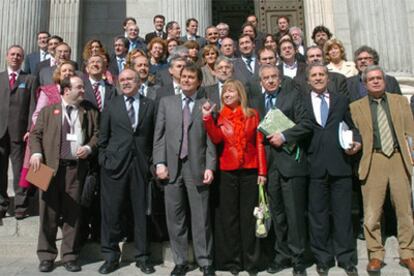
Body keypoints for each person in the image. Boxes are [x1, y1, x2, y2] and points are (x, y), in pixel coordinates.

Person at [29, 75, 99, 272]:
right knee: (47, 214)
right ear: (66, 90)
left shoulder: (89, 111)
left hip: (75, 169)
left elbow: (97, 134)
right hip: (47, 169)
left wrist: (88, 147)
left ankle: (70, 256)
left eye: (83, 87)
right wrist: (36, 152)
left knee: (73, 214)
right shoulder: (48, 111)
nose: (83, 90)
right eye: (79, 87)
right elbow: (35, 134)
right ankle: (46, 256)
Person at [248, 64, 311, 276]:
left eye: (274, 76)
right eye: (266, 77)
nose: (271, 80)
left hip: (291, 163)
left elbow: (306, 123)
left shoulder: (293, 96)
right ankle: (281, 254)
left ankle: (298, 258)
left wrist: (284, 136)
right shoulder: (256, 101)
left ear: (280, 79)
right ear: (261, 81)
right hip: (268, 166)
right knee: (277, 215)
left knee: (294, 214)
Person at [153, 64, 216, 276]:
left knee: (201, 216)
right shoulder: (166, 102)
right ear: (178, 79)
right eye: (184, 77)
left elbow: (210, 140)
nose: (187, 80)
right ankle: (181, 261)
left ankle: (205, 261)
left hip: (196, 166)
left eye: (191, 77)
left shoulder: (205, 104)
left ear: (199, 81)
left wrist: (210, 166)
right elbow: (159, 136)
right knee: (175, 216)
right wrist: (159, 163)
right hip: (172, 167)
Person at [350, 65, 414, 274]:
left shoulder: (399, 101)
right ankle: (375, 255)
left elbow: (410, 132)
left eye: (379, 78)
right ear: (364, 83)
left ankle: (407, 252)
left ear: (384, 81)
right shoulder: (356, 107)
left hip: (398, 157)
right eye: (371, 79)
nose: (376, 81)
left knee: (404, 210)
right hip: (373, 159)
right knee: (372, 213)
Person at [202, 79, 267, 275]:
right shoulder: (219, 116)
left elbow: (259, 144)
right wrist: (207, 119)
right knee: (229, 219)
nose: (227, 95)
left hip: (249, 170)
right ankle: (233, 262)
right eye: (225, 93)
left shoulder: (252, 115)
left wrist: (262, 172)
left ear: (240, 94)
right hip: (227, 172)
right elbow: (216, 139)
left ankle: (252, 262)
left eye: (231, 92)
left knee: (250, 217)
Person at [303, 63, 360, 275]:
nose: (318, 78)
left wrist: (357, 142)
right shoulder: (301, 102)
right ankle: (323, 259)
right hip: (314, 167)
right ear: (308, 80)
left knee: (343, 215)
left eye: (321, 75)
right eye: (314, 75)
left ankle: (346, 258)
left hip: (340, 165)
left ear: (328, 78)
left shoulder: (341, 100)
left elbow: (353, 127)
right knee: (318, 216)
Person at [98, 69, 156, 275]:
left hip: (140, 166)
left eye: (129, 79)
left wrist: (151, 163)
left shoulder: (150, 105)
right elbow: (102, 137)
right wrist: (104, 160)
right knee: (111, 212)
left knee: (141, 213)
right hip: (114, 167)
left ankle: (142, 257)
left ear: (139, 81)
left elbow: (153, 138)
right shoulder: (111, 105)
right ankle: (110, 256)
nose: (125, 83)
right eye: (121, 80)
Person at [19, 61, 77, 189]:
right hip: (48, 142)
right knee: (44, 187)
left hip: (69, 145)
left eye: (70, 71)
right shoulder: (48, 91)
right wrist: (48, 132)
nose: (67, 73)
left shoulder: (78, 91)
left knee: (66, 185)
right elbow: (36, 115)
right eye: (64, 71)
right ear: (59, 74)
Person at [0, 45, 37, 220]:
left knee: (20, 170)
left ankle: (21, 205)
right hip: (0, 132)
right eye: (12, 54)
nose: (15, 57)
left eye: (19, 55)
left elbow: (32, 106)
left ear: (22, 59)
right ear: (7, 56)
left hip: (19, 132)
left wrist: (30, 128)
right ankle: (1, 204)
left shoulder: (29, 79)